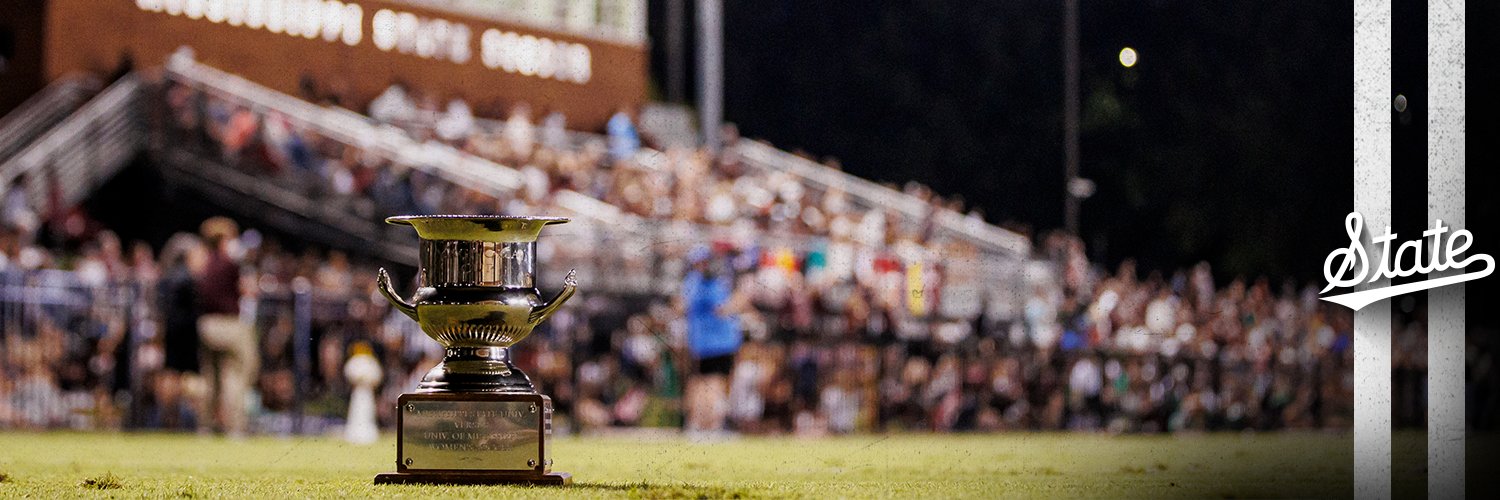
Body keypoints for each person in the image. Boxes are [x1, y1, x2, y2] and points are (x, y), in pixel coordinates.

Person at [193, 217, 257, 438]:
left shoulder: (203, 263)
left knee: (210, 378)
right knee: (236, 375)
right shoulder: (230, 264)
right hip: (229, 324)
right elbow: (248, 290)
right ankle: (235, 427)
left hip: (206, 324)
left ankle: (204, 426)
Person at [679, 247, 744, 435]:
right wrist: (740, 300)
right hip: (717, 341)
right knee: (713, 382)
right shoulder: (707, 283)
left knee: (700, 382)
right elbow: (721, 309)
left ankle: (696, 424)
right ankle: (711, 425)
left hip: (702, 341)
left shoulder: (691, 282)